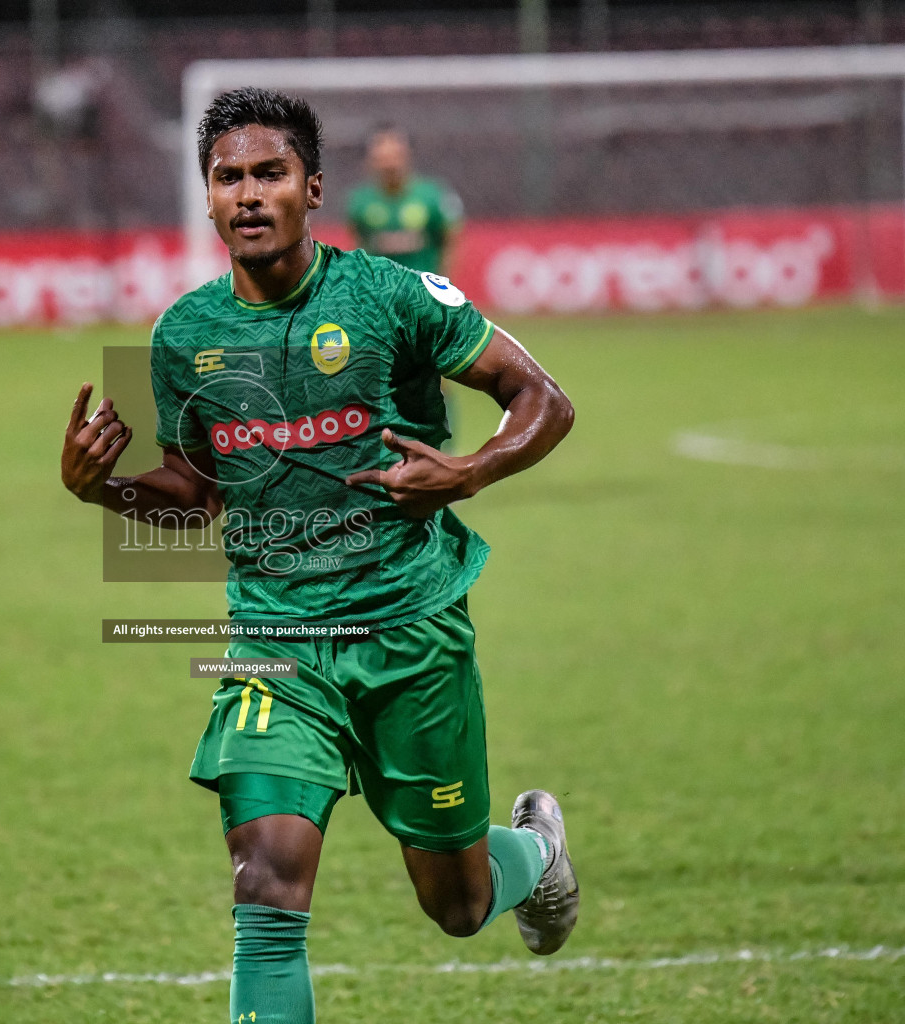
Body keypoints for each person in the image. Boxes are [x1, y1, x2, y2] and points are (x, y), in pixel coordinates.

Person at [60, 88, 577, 1024]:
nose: (249, 195)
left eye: (270, 174)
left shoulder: (389, 294)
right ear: (207, 199)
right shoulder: (182, 335)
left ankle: (535, 856)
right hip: (275, 644)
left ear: (313, 190)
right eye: (229, 178)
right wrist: (104, 490)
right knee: (266, 883)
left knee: (456, 906)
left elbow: (543, 398)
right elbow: (194, 494)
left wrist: (469, 472)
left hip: (410, 628)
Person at [346, 125, 463, 275]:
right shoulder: (360, 201)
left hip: (423, 289)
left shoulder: (432, 196)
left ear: (407, 155)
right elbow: (358, 244)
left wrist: (444, 284)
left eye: (395, 157)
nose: (390, 165)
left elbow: (450, 241)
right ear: (371, 161)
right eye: (383, 159)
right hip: (379, 292)